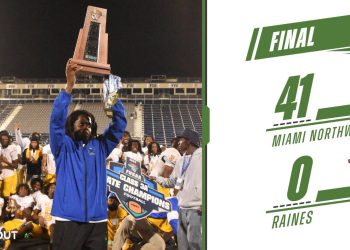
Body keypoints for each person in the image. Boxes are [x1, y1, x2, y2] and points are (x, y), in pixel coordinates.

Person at [50, 59, 127, 250]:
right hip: (68, 219)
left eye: (90, 124)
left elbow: (119, 126)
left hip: (97, 220)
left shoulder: (100, 146)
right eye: (82, 123)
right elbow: (56, 121)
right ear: (72, 125)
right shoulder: (63, 146)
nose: (87, 127)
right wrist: (69, 86)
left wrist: (113, 97)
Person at [152, 129, 202, 250]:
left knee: (195, 245)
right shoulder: (181, 160)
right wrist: (156, 179)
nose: (178, 142)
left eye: (181, 140)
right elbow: (173, 182)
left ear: (189, 141)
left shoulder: (203, 156)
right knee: (182, 246)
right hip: (181, 207)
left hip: (197, 208)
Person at [0, 130, 19, 200]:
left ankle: (7, 210)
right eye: (3, 139)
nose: (5, 141)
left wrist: (5, 161)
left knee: (6, 195)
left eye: (6, 139)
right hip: (1, 174)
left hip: (9, 175)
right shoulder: (1, 148)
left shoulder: (12, 148)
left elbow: (16, 166)